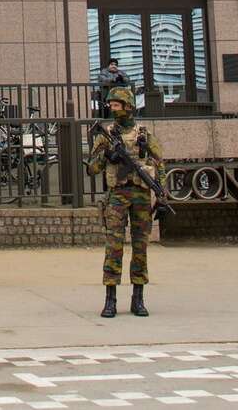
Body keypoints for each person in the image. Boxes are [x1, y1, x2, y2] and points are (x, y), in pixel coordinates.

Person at [86, 84, 162, 318]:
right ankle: (110, 299)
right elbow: (91, 168)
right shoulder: (106, 135)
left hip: (141, 195)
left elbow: (159, 163)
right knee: (114, 246)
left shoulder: (143, 134)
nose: (113, 108)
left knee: (140, 247)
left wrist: (161, 194)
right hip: (117, 195)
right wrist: (107, 155)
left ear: (128, 106)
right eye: (111, 104)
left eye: (117, 104)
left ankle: (138, 298)